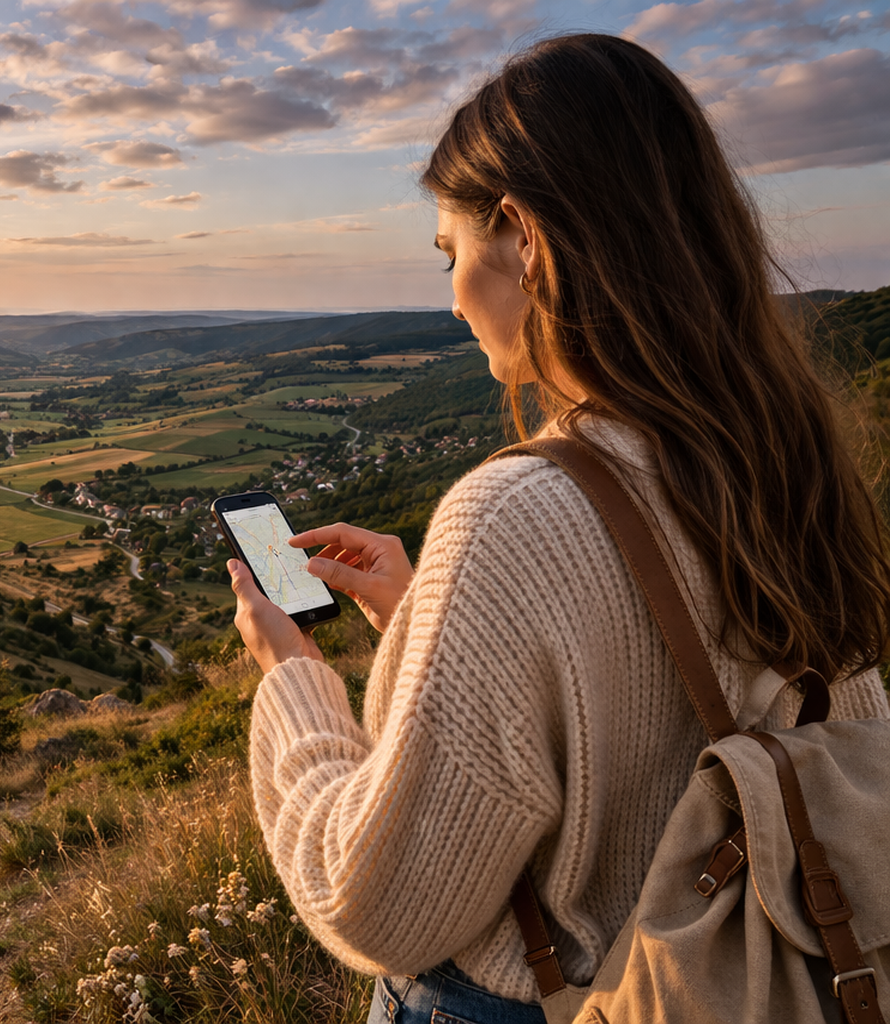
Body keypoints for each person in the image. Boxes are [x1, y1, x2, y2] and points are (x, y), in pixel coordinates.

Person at [229, 33, 890, 1024]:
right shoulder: (780, 460)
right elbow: (670, 699)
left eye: (450, 252)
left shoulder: (515, 514)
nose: (452, 299)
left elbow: (380, 905)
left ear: (522, 235)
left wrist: (293, 684)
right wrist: (425, 616)